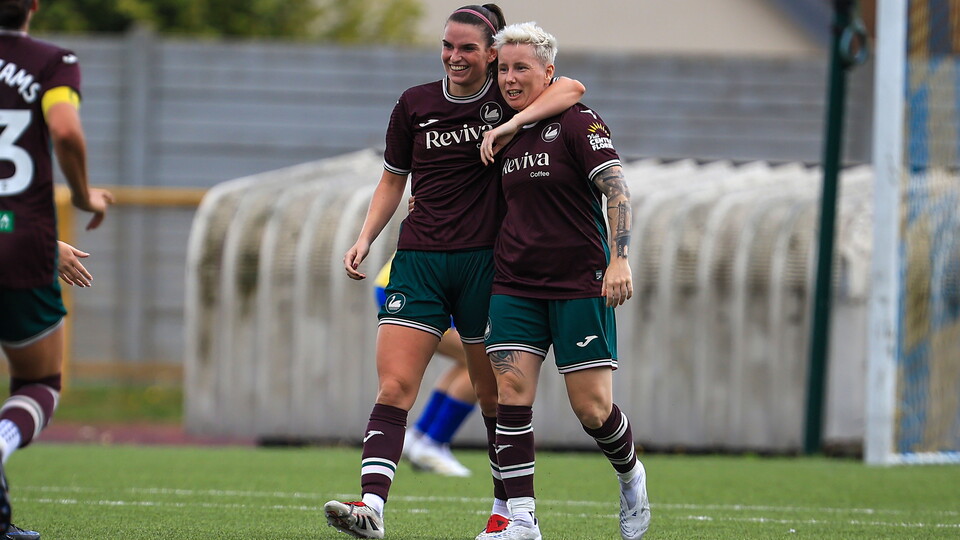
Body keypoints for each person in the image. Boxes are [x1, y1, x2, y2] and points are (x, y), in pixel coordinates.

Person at [324, 4, 585, 539]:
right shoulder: (414, 103)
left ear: (492, 54)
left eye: (468, 48)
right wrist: (364, 237)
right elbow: (393, 179)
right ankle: (372, 507)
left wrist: (512, 123)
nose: (454, 56)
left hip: (488, 266)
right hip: (418, 261)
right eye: (447, 45)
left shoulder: (508, 95)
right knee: (394, 385)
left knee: (494, 397)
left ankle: (505, 514)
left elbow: (572, 88)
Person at [481, 22, 650, 540]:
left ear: (546, 73)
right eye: (504, 68)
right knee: (510, 394)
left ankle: (631, 476)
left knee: (592, 409)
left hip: (579, 282)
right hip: (514, 284)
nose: (510, 78)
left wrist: (618, 260)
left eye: (522, 68)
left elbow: (617, 190)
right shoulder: (497, 128)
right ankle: (522, 519)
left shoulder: (578, 122)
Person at [0, 0, 113, 538]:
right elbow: (65, 133)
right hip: (19, 243)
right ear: (33, 6)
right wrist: (85, 196)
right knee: (40, 381)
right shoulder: (52, 62)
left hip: (28, 241)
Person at [373, 255, 475, 478]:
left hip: (417, 279)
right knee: (484, 361)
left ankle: (419, 437)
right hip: (416, 283)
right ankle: (433, 442)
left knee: (472, 360)